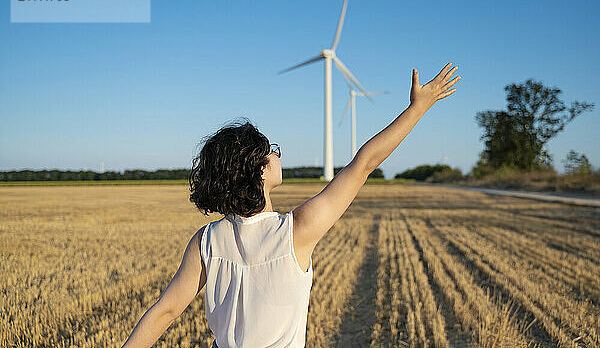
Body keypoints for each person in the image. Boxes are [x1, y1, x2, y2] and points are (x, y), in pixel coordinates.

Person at [121, 63, 460, 348]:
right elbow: (364, 163)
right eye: (272, 150)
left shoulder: (205, 241)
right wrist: (418, 108)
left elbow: (164, 311)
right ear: (259, 170)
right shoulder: (297, 230)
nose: (276, 155)